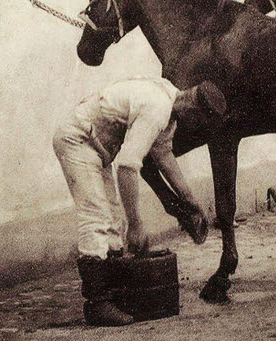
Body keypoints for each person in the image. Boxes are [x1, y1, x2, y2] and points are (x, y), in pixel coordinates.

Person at [52, 77, 226, 326]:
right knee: (97, 217)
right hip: (77, 140)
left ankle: (114, 296)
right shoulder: (157, 108)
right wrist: (136, 223)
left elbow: (163, 153)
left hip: (97, 146)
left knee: (113, 219)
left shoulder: (170, 101)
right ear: (192, 107)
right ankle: (97, 304)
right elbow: (127, 166)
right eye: (199, 120)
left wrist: (190, 201)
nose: (196, 126)